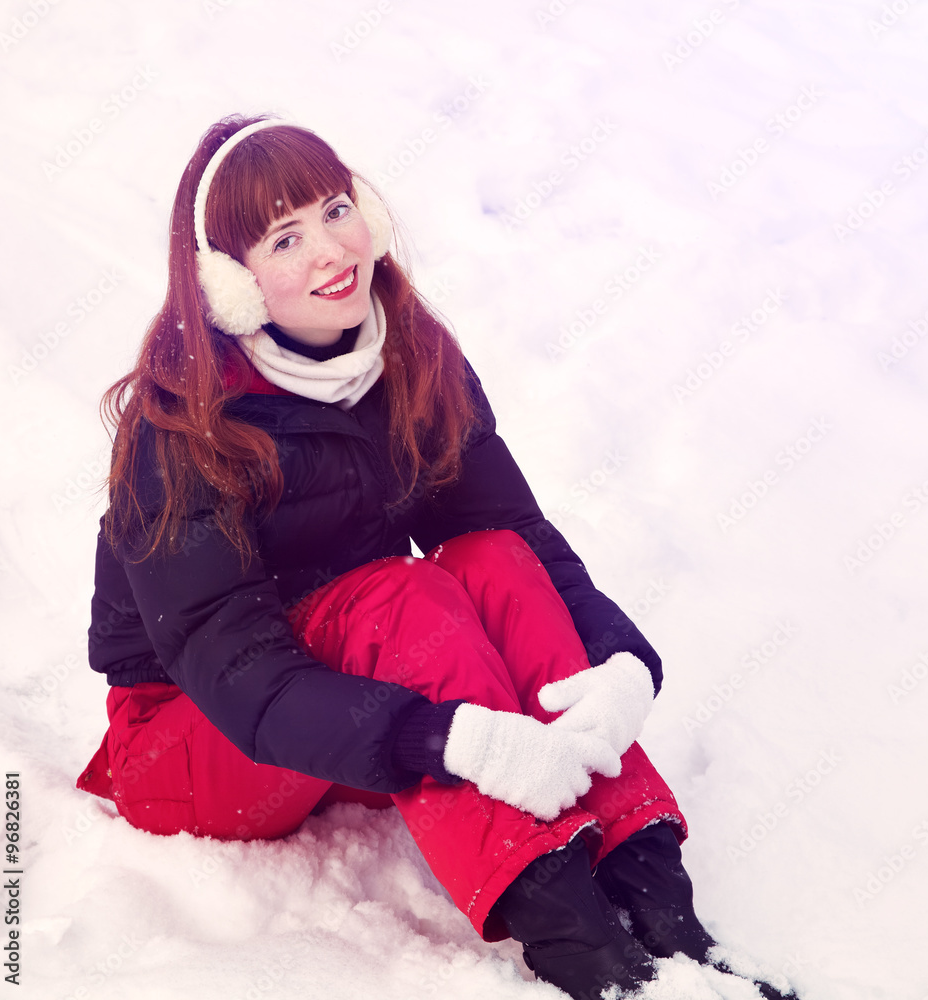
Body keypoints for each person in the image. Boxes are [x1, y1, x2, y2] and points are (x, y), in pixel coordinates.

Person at [77, 115, 799, 1000]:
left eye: (335, 209)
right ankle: (594, 961)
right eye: (284, 237)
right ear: (231, 284)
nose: (330, 252)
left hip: (348, 704)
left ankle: (662, 917)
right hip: (196, 741)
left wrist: (619, 663)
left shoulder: (405, 352)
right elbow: (242, 680)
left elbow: (515, 536)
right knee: (397, 597)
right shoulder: (181, 429)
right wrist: (443, 737)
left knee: (488, 558)